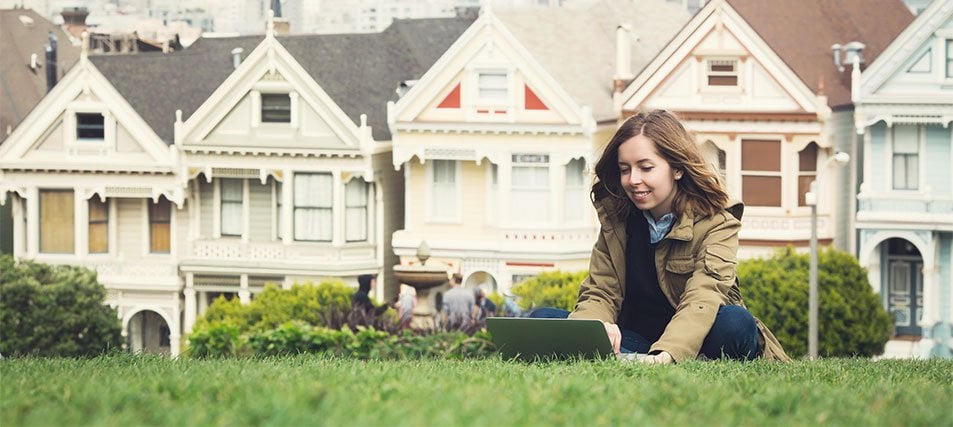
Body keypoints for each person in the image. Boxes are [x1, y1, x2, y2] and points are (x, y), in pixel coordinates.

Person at [529, 110, 789, 364]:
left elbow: (703, 297)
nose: (633, 180)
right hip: (640, 338)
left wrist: (667, 354)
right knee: (541, 318)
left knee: (735, 322)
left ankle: (665, 359)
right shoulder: (616, 220)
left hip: (701, 337)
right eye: (625, 169)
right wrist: (595, 328)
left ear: (677, 169)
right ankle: (626, 357)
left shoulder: (718, 222)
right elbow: (600, 292)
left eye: (645, 168)